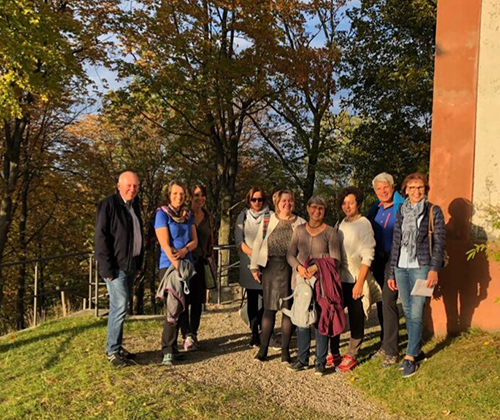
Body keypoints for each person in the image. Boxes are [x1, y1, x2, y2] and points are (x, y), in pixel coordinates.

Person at [387, 173, 446, 378]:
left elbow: (439, 243)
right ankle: (417, 352)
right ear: (405, 190)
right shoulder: (402, 211)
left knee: (416, 310)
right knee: (407, 309)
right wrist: (391, 271)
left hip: (422, 266)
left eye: (419, 187)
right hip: (401, 267)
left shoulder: (433, 211)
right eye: (411, 188)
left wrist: (434, 269)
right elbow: (396, 242)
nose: (416, 191)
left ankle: (410, 356)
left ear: (426, 189)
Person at [287, 195, 341, 376]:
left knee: (321, 320)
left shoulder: (330, 232)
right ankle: (302, 359)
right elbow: (290, 254)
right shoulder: (299, 230)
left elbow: (336, 259)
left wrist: (317, 266)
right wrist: (298, 267)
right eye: (314, 207)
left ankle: (320, 361)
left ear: (325, 211)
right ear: (308, 208)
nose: (317, 212)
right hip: (301, 282)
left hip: (322, 283)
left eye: (321, 208)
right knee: (302, 320)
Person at [250, 190, 306, 363]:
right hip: (270, 268)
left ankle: (285, 351)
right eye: (284, 200)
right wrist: (254, 266)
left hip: (291, 269)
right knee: (269, 310)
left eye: (290, 200)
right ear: (277, 202)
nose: (287, 204)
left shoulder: (301, 223)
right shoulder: (268, 219)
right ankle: (263, 349)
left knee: (288, 311)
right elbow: (258, 242)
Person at [95, 171, 144, 367]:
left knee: (122, 306)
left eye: (136, 186)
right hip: (115, 267)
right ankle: (112, 350)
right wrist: (107, 269)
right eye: (129, 185)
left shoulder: (134, 205)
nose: (132, 189)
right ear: (119, 186)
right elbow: (101, 238)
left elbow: (136, 235)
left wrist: (139, 263)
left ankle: (117, 346)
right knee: (120, 305)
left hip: (130, 264)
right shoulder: (108, 205)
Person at [330, 187, 380, 372]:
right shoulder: (340, 223)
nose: (347, 206)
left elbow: (368, 254)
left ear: (358, 203)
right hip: (339, 278)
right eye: (344, 203)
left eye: (351, 202)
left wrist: (360, 283)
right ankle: (334, 351)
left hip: (356, 277)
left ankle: (352, 352)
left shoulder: (364, 223)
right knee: (335, 313)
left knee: (356, 316)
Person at [154, 181, 198, 366]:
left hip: (187, 264)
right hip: (170, 266)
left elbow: (194, 240)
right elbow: (165, 243)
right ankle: (166, 349)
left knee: (182, 308)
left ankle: (173, 348)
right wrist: (177, 264)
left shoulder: (187, 216)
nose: (178, 197)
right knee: (173, 307)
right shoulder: (162, 215)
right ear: (169, 195)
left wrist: (185, 252)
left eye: (181, 194)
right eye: (175, 194)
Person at [367, 172, 405, 367]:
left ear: (393, 186)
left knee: (389, 301)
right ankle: (384, 342)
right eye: (378, 189)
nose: (382, 191)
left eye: (386, 187)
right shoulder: (376, 208)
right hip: (378, 259)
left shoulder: (403, 206)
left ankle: (392, 351)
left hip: (395, 259)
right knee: (382, 302)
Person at [178, 184, 214, 350]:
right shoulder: (185, 215)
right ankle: (185, 334)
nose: (200, 198)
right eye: (196, 195)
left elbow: (210, 238)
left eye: (202, 195)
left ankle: (193, 333)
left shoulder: (208, 216)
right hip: (186, 262)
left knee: (198, 301)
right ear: (190, 197)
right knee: (184, 299)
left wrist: (210, 255)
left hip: (200, 262)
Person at [235, 187, 270, 347]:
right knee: (252, 300)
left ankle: (265, 331)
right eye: (254, 199)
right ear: (249, 200)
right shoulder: (242, 217)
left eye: (260, 199)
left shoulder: (270, 216)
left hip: (267, 263)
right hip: (248, 264)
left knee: (266, 300)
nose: (257, 202)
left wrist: (262, 259)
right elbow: (239, 242)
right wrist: (254, 257)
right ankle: (254, 331)